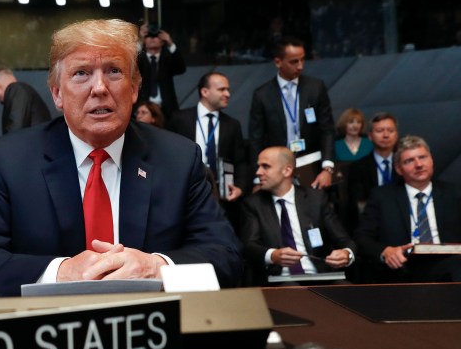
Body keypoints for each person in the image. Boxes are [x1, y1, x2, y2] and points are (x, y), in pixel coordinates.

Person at [0, 19, 243, 297]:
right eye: (81, 73)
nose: (100, 88)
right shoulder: (10, 160)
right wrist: (59, 272)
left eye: (114, 71)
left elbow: (226, 257)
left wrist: (158, 268)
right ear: (57, 94)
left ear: (134, 89)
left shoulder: (178, 159)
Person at [240, 147, 355, 285]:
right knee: (293, 292)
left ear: (287, 170)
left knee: (345, 288)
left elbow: (344, 240)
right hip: (280, 279)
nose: (258, 172)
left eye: (266, 166)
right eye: (258, 166)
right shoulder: (253, 204)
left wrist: (346, 254)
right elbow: (249, 245)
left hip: (318, 276)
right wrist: (273, 255)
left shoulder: (315, 199)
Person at [355, 135, 461, 283]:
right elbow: (362, 238)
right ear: (398, 169)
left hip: (449, 264)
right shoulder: (382, 197)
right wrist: (386, 251)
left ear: (431, 160)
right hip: (402, 267)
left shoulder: (454, 193)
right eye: (409, 161)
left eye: (423, 157)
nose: (418, 164)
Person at [248, 36, 335, 190]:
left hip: (312, 164)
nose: (300, 66)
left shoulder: (315, 87)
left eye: (302, 60)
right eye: (294, 61)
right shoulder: (262, 95)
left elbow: (326, 129)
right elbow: (256, 138)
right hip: (278, 168)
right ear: (278, 62)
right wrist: (257, 178)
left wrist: (327, 167)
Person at [166, 71, 249, 203]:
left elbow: (240, 161)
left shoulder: (232, 124)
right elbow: (168, 156)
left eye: (228, 90)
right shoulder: (180, 119)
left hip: (222, 195)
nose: (227, 94)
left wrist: (240, 187)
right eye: (222, 89)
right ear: (205, 92)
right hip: (186, 192)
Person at [347, 112, 401, 221]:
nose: (386, 135)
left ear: (396, 136)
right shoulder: (358, 168)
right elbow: (358, 204)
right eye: (380, 131)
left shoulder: (405, 164)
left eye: (390, 131)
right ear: (370, 136)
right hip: (373, 220)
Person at [137, 22, 186, 119]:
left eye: (156, 36)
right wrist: (139, 41)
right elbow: (130, 66)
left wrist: (170, 42)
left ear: (162, 40)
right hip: (142, 107)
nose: (152, 38)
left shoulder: (167, 59)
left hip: (167, 109)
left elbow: (181, 68)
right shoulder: (139, 59)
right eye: (148, 36)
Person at [0, 67, 52, 135]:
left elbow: (15, 128)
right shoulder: (22, 90)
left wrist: (5, 143)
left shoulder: (16, 89)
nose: (0, 102)